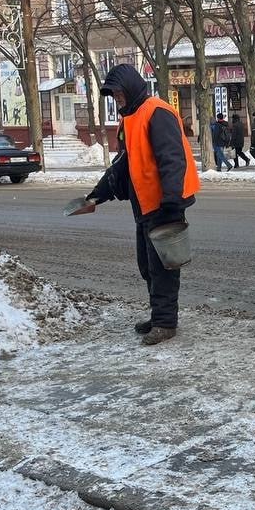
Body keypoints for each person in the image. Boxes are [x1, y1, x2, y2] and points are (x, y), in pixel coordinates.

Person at [83, 65, 198, 345]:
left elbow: (172, 158)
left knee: (163, 267)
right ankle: (159, 315)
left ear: (132, 88)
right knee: (147, 266)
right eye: (113, 97)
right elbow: (123, 167)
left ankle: (165, 323)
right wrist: (96, 196)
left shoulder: (156, 112)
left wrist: (172, 201)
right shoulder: (130, 119)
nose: (117, 100)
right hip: (144, 205)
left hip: (164, 204)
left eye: (119, 94)